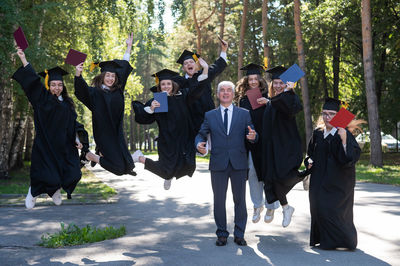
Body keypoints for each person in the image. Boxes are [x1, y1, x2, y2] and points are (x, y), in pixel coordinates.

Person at [12, 47, 82, 209]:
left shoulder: (68, 105)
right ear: (48, 85)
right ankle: (34, 192)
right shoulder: (42, 99)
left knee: (73, 173)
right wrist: (23, 58)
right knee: (47, 175)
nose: (57, 88)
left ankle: (55, 190)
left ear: (63, 86)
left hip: (64, 146)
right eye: (53, 85)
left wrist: (77, 138)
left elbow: (73, 123)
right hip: (45, 145)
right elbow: (33, 82)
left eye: (59, 85)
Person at [195, 81, 257, 247]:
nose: (225, 93)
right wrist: (198, 144)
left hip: (239, 163)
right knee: (219, 200)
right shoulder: (210, 115)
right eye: (222, 90)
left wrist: (253, 136)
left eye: (229, 90)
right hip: (218, 163)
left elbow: (252, 133)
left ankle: (239, 234)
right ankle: (222, 234)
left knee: (240, 200)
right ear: (217, 94)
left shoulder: (244, 114)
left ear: (233, 93)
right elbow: (201, 134)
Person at [131, 63, 209, 190]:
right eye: (163, 84)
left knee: (188, 167)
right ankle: (140, 158)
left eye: (168, 84)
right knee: (165, 170)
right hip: (167, 141)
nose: (166, 86)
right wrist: (151, 109)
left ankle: (168, 175)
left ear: (173, 84)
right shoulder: (157, 101)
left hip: (183, 140)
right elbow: (143, 119)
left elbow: (197, 89)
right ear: (159, 86)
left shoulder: (183, 96)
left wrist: (205, 70)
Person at [74, 33, 135, 176]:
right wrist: (78, 74)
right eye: (107, 75)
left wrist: (129, 47)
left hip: (117, 133)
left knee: (128, 166)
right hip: (103, 134)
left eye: (113, 76)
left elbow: (124, 68)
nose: (110, 78)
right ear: (102, 77)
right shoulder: (95, 93)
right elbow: (81, 91)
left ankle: (98, 154)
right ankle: (91, 156)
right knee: (119, 168)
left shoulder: (118, 90)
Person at [305, 98, 362, 250]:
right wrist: (309, 161)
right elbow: (310, 153)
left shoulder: (344, 133)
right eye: (324, 114)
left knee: (333, 211)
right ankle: (324, 240)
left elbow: (350, 158)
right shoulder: (318, 133)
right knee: (318, 207)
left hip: (339, 181)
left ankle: (346, 241)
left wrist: (343, 140)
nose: (327, 117)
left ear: (338, 116)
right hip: (319, 179)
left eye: (331, 114)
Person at [235, 63, 280, 224]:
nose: (253, 82)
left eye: (256, 79)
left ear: (260, 80)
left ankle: (271, 205)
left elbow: (278, 116)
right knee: (253, 173)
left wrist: (268, 103)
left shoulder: (269, 96)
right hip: (252, 141)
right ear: (246, 81)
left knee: (269, 174)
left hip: (268, 142)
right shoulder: (242, 100)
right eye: (250, 79)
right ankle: (257, 205)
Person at [261, 66, 304, 228]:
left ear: (286, 84)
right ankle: (283, 207)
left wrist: (288, 91)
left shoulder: (290, 98)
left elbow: (291, 108)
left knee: (280, 177)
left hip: (285, 148)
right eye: (275, 83)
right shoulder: (270, 101)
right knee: (270, 178)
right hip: (270, 148)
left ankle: (282, 206)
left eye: (281, 83)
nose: (278, 86)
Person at [176, 39, 228, 134]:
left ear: (196, 64)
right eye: (186, 63)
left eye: (191, 62)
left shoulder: (204, 73)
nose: (189, 64)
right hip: (191, 122)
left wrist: (224, 50)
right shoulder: (181, 82)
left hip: (210, 118)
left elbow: (218, 66)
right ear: (183, 68)